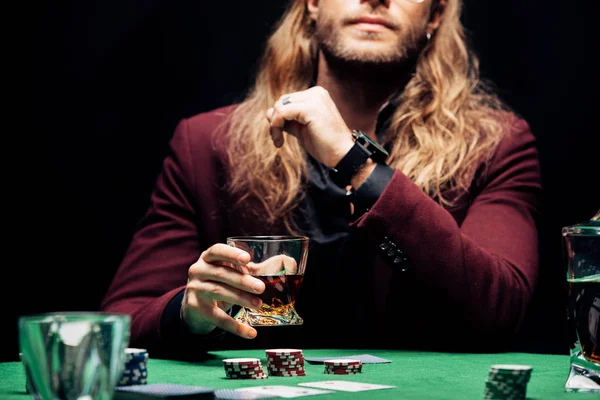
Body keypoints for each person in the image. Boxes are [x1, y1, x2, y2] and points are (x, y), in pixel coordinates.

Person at [100, 0, 541, 360]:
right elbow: (121, 323)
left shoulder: (495, 143)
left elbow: (499, 309)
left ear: (436, 14)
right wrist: (190, 311)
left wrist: (354, 162)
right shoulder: (206, 144)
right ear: (311, 4)